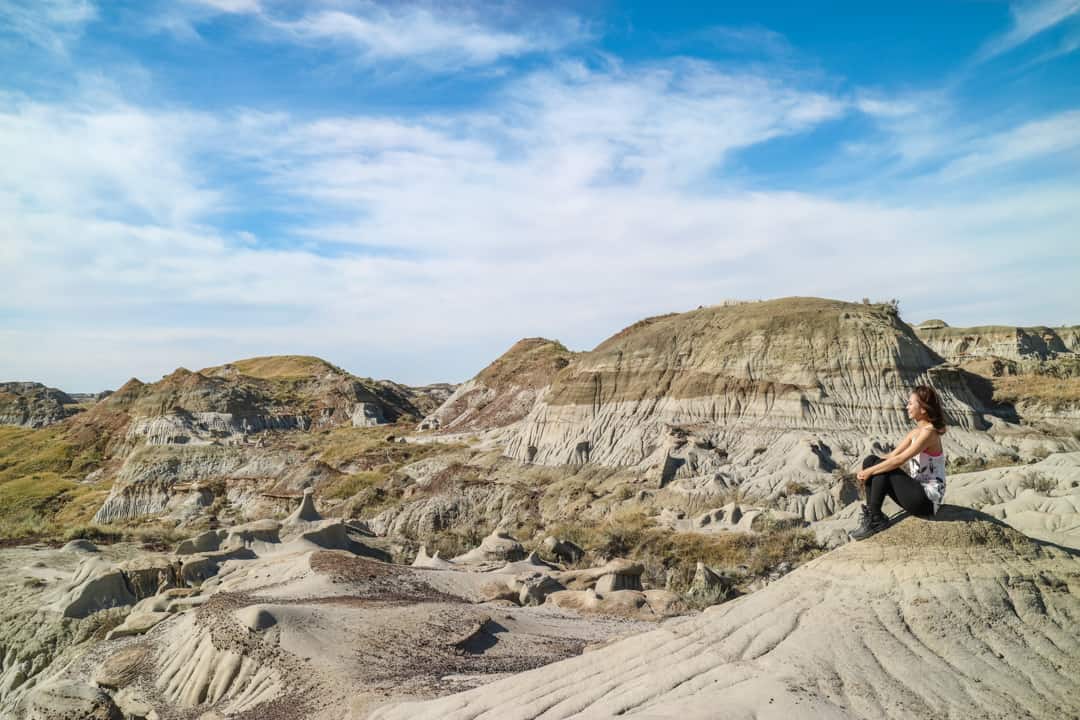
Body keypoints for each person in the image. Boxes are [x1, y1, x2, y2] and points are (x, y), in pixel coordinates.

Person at [849, 385, 947, 540]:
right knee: (871, 460)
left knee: (884, 469)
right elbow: (891, 456)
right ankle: (873, 515)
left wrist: (869, 472)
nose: (906, 406)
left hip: (927, 499)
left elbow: (899, 460)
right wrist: (867, 467)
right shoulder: (915, 433)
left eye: (910, 403)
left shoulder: (929, 433)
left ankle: (875, 518)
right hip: (915, 491)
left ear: (923, 409)